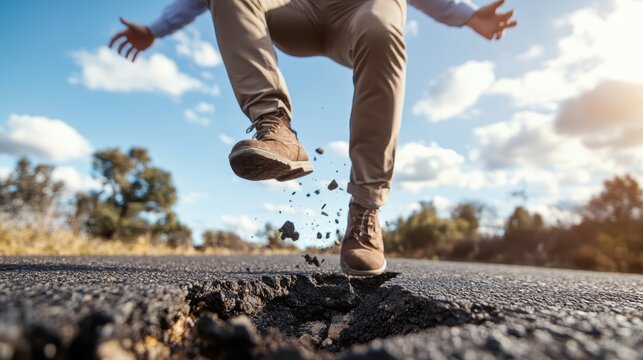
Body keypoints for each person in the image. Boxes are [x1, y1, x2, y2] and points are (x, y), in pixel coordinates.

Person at [110, 0, 516, 276]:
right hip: (298, 12)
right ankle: (275, 126)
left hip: (362, 11)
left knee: (382, 30)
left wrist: (465, 15)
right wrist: (157, 29)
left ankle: (365, 212)